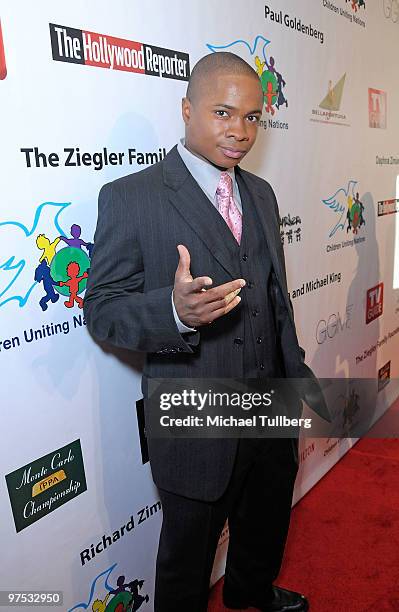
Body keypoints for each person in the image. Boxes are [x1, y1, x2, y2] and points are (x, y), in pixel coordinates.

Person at [84, 52, 330, 612]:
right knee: (187, 563)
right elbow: (101, 307)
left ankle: (250, 592)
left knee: (266, 522)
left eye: (251, 117)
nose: (239, 132)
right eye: (223, 112)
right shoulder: (131, 197)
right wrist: (172, 314)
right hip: (197, 423)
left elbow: (275, 298)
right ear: (187, 108)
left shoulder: (261, 193)